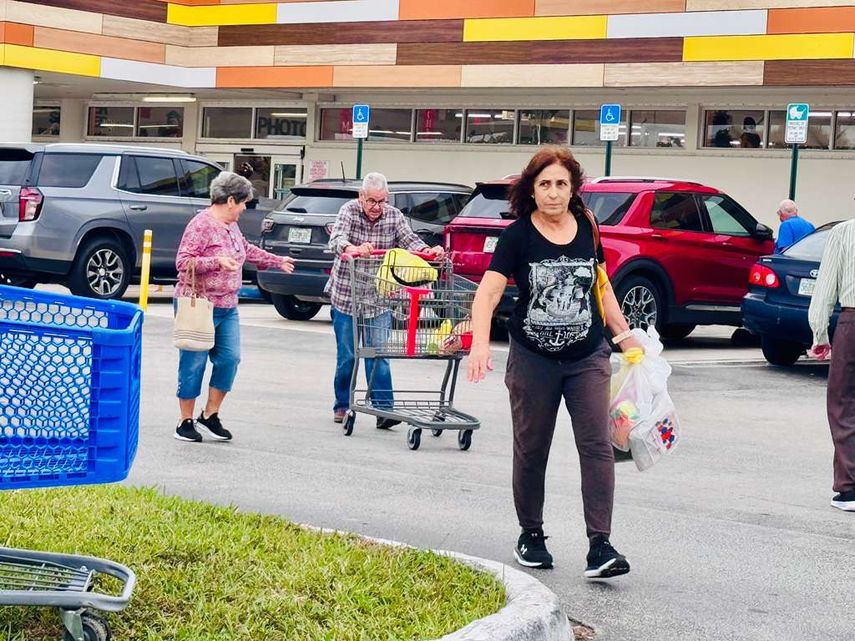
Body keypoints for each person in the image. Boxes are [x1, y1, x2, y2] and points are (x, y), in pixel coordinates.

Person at [467, 146, 643, 578]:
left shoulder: (588, 225)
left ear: (573, 189)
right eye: (544, 184)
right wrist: (480, 343)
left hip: (587, 356)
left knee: (598, 446)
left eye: (561, 184)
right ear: (532, 189)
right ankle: (531, 534)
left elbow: (600, 286)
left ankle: (600, 545)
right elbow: (488, 292)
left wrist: (623, 335)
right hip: (533, 359)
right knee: (532, 449)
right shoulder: (517, 235)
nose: (553, 193)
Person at [174, 171, 295, 443]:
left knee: (230, 359)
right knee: (194, 362)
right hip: (200, 305)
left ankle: (211, 414)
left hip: (228, 305)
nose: (244, 209)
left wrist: (276, 261)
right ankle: (185, 421)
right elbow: (183, 262)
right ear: (230, 200)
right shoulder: (201, 225)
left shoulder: (231, 226)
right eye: (243, 203)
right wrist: (217, 261)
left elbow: (245, 250)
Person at [327, 172, 444, 428]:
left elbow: (410, 240)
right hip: (347, 294)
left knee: (378, 352)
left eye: (381, 202)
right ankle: (342, 404)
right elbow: (337, 238)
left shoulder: (394, 216)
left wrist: (427, 251)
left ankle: (384, 410)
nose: (376, 207)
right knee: (347, 355)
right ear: (361, 197)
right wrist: (351, 249)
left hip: (378, 297)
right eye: (371, 201)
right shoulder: (348, 211)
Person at [808, 218, 855, 512]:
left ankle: (849, 488)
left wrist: (819, 334)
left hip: (852, 321)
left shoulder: (844, 231)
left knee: (843, 402)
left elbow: (825, 288)